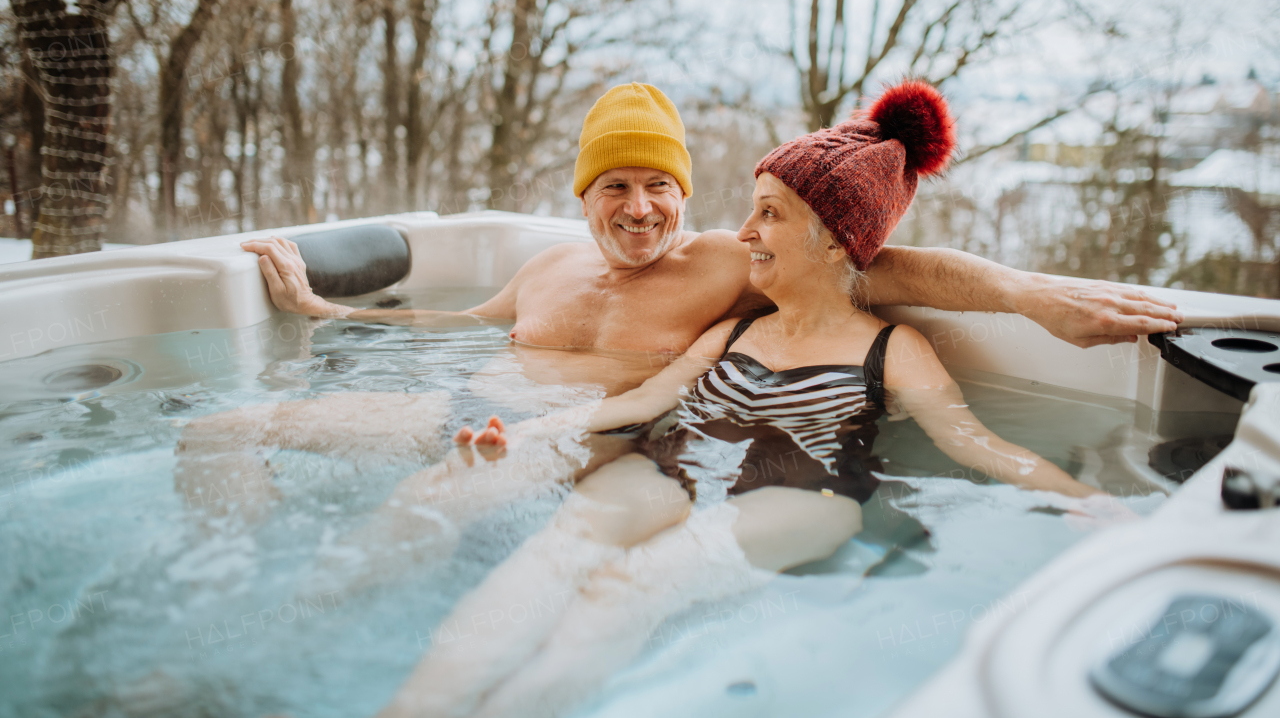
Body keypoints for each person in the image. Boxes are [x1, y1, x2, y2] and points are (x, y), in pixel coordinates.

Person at [371, 81, 1118, 718]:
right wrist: (533, 436)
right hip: (677, 461)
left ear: (833, 244)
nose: (744, 230)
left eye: (769, 215)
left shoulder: (891, 349)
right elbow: (642, 402)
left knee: (630, 583)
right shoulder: (734, 331)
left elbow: (974, 443)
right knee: (555, 551)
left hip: (807, 487)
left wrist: (1081, 497)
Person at [242, 82, 1182, 403]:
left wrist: (1033, 297)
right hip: (458, 412)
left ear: (684, 194)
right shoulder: (545, 267)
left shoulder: (730, 265)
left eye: (662, 186)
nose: (642, 208)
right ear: (585, 195)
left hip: (580, 448)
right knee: (222, 431)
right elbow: (457, 329)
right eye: (617, 185)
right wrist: (324, 312)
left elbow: (890, 268)